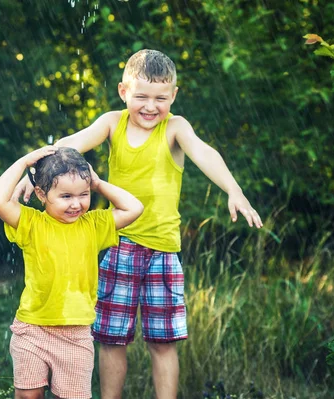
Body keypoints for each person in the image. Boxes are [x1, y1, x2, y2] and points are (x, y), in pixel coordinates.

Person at [14, 49, 263, 399]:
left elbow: (205, 152)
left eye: (161, 98)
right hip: (120, 245)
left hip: (163, 250)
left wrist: (233, 189)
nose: (150, 106)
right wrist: (35, 166)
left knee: (163, 343)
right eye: (141, 96)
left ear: (173, 95)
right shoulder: (112, 122)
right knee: (112, 339)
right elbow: (75, 141)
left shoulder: (176, 127)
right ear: (123, 92)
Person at [0, 146, 144, 399]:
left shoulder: (94, 224)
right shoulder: (31, 223)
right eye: (66, 196)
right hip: (33, 329)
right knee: (28, 395)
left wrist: (98, 183)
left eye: (83, 194)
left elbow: (134, 208)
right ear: (41, 193)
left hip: (77, 334)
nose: (76, 204)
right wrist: (25, 160)